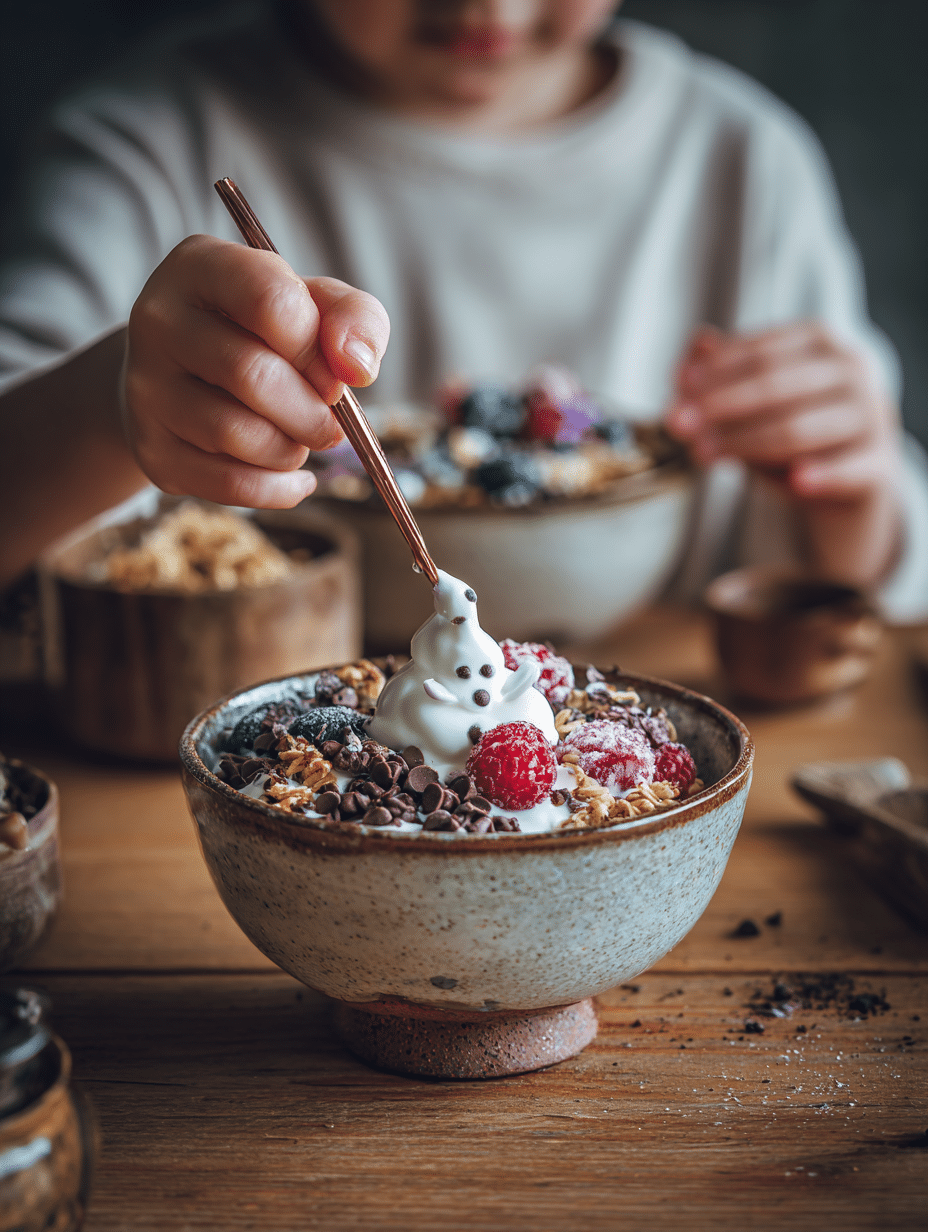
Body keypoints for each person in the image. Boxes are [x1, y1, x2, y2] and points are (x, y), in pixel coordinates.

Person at [1, 0, 926, 616]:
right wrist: (109, 410)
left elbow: (863, 589)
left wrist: (851, 498)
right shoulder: (146, 143)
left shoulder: (745, 163)